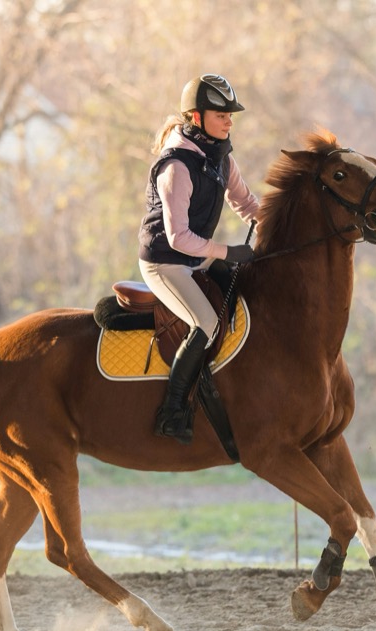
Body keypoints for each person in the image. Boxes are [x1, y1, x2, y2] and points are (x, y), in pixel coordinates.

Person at [138, 73, 261, 444]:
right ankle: (172, 412)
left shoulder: (221, 157)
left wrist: (281, 224)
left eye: (229, 115)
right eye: (221, 115)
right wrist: (228, 251)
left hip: (194, 257)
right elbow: (179, 239)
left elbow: (247, 204)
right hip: (165, 262)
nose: (229, 121)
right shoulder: (176, 166)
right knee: (205, 322)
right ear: (196, 118)